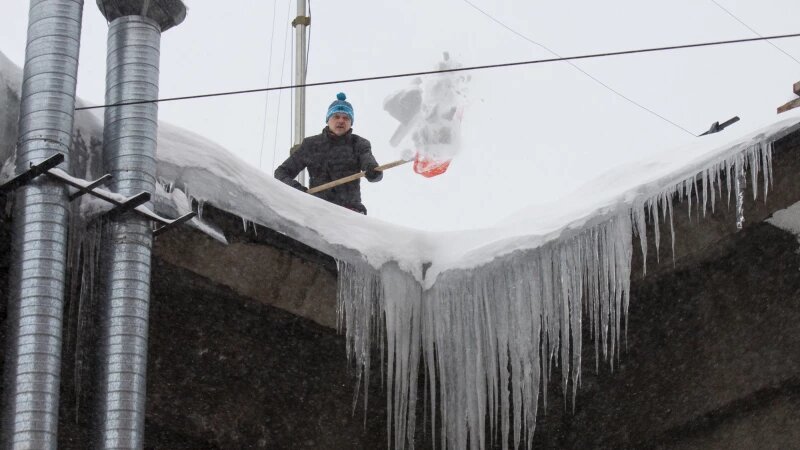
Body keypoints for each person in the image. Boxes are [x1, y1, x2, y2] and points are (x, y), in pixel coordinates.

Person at [274, 92, 383, 215]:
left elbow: (372, 167)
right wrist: (298, 190)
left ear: (351, 122)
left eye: (346, 117)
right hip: (318, 211)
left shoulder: (359, 144)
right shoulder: (311, 144)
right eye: (336, 116)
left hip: (351, 212)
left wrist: (373, 171)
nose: (341, 120)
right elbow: (281, 173)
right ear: (328, 120)